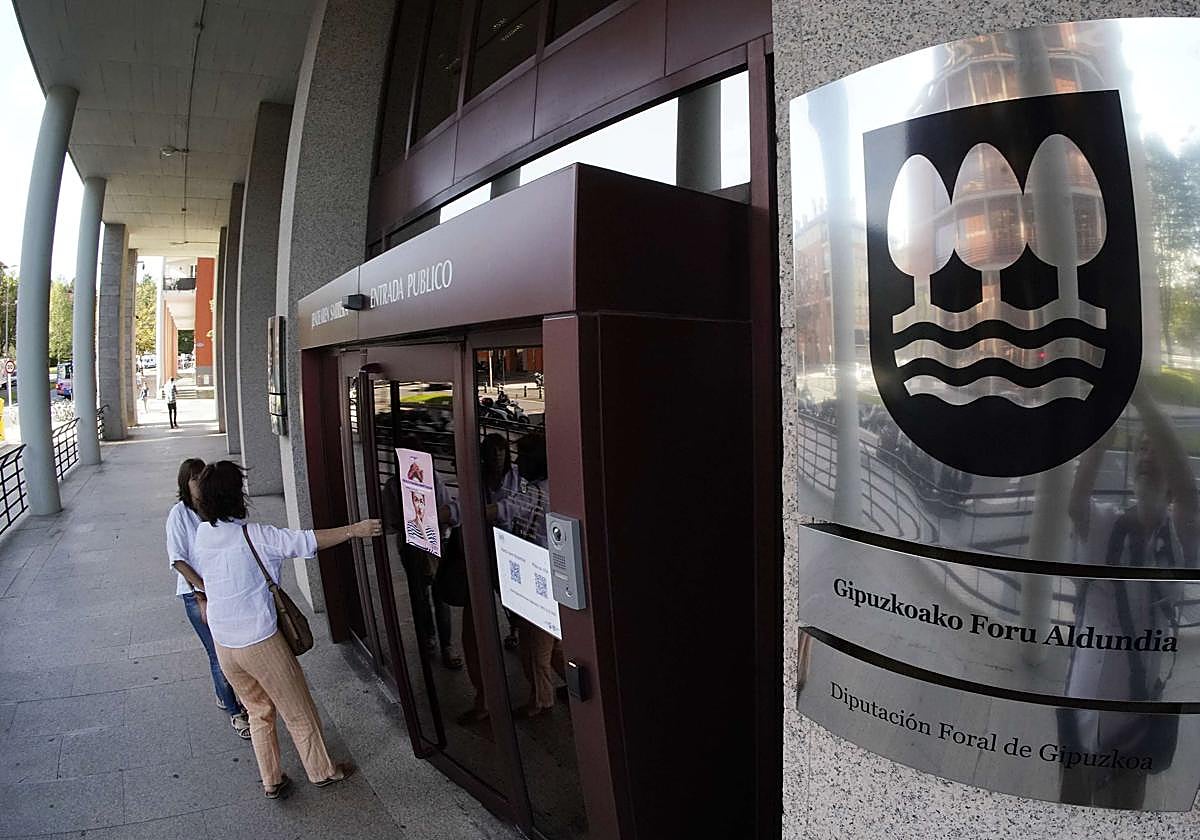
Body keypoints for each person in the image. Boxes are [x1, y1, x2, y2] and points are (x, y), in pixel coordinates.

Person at [190, 460, 383, 799]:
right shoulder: (256, 536)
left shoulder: (203, 534)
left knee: (258, 710)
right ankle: (323, 771)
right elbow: (307, 541)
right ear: (237, 495)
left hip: (224, 641)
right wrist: (356, 529)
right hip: (259, 641)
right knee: (298, 709)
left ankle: (271, 780)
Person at [1062, 386, 1196, 807]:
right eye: (1140, 450)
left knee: (1123, 813)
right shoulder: (1104, 524)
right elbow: (1076, 501)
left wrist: (1144, 402)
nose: (1146, 457)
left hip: (1133, 724)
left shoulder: (1181, 539)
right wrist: (1105, 423)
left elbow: (1190, 497)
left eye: (1156, 452)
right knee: (1069, 808)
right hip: (1083, 708)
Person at [165, 458, 251, 741]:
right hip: (197, 595)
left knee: (231, 650)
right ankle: (235, 710)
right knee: (218, 654)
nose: (198, 482)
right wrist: (204, 589)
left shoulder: (215, 508)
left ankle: (224, 694)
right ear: (184, 484)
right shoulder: (179, 515)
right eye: (193, 479)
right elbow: (178, 560)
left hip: (226, 590)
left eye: (201, 476)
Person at [493, 433, 564, 718]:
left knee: (535, 648)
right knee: (554, 644)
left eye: (522, 456)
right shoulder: (556, 488)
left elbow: (505, 510)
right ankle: (572, 687)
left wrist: (467, 512)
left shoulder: (534, 493)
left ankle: (541, 701)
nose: (518, 461)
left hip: (537, 577)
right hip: (555, 575)